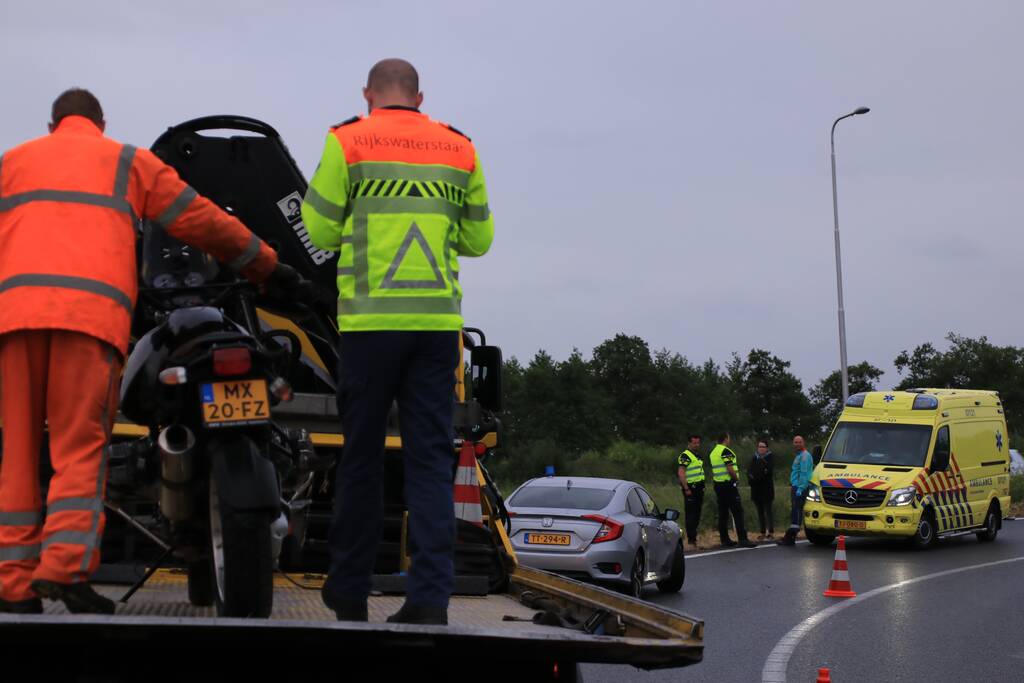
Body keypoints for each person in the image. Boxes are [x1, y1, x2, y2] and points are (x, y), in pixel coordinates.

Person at [0, 88, 286, 614]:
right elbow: (199, 219)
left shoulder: (13, 162)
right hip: (87, 320)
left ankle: (15, 585)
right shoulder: (127, 162)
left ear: (52, 122)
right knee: (77, 447)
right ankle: (62, 569)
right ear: (101, 122)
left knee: (17, 449)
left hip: (14, 320)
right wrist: (265, 264)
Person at [303, 59, 494, 626]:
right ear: (419, 96)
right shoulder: (459, 148)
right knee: (430, 464)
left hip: (368, 327)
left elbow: (317, 231)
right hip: (436, 329)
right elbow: (478, 238)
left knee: (360, 461)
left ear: (368, 95)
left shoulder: (348, 141)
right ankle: (430, 598)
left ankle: (350, 591)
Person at [708, 433, 756, 548]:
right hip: (728, 485)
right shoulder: (725, 451)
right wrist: (736, 478)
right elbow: (730, 468)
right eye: (729, 438)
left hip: (718, 485)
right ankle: (743, 539)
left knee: (723, 513)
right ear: (726, 439)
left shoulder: (714, 452)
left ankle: (724, 540)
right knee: (738, 512)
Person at [778, 435, 815, 546]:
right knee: (795, 510)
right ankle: (791, 536)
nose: (797, 444)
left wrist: (800, 488)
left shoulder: (804, 456)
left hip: (800, 488)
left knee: (796, 511)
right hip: (796, 486)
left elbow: (804, 474)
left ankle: (791, 536)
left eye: (799, 442)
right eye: (795, 442)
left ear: (803, 443)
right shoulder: (800, 455)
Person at [676, 434, 706, 549]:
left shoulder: (697, 455)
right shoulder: (685, 455)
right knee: (691, 514)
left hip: (699, 487)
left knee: (697, 513)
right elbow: (681, 472)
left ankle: (694, 538)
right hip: (690, 488)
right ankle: (691, 540)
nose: (697, 445)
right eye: (694, 443)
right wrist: (686, 488)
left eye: (698, 443)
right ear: (689, 443)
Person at [747, 440, 775, 541]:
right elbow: (749, 471)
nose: (761, 448)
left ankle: (770, 532)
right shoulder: (754, 458)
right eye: (759, 446)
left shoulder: (769, 458)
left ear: (767, 448)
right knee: (760, 512)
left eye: (763, 447)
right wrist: (752, 477)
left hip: (766, 489)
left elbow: (767, 472)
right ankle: (762, 532)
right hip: (756, 489)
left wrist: (756, 476)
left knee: (768, 511)